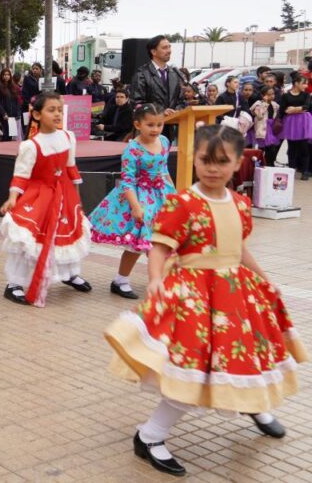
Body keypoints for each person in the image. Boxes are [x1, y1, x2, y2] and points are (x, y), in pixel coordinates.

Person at [104, 125, 306, 477]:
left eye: (222, 161)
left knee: (246, 359)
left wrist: (264, 279)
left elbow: (238, 248)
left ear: (238, 162)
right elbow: (159, 247)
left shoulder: (241, 204)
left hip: (236, 298)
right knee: (192, 369)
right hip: (194, 299)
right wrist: (155, 280)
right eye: (205, 160)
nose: (213, 168)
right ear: (193, 159)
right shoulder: (182, 202)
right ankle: (150, 436)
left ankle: (251, 403)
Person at [0, 91, 91, 307]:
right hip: (40, 195)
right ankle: (14, 283)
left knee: (67, 233)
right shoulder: (31, 145)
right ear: (37, 115)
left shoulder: (68, 137)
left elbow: (71, 168)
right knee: (28, 238)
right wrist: (12, 198)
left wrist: (76, 200)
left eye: (59, 110)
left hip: (65, 193)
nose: (57, 114)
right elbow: (21, 175)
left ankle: (69, 274)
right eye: (51, 110)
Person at [89, 103, 174, 300]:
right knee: (137, 242)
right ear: (137, 124)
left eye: (159, 124)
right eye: (150, 125)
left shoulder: (164, 141)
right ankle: (121, 280)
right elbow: (127, 180)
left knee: (162, 240)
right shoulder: (132, 149)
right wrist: (136, 206)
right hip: (139, 196)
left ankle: (161, 278)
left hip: (161, 195)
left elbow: (164, 169)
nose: (155, 129)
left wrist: (173, 193)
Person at [129, 35, 186, 112]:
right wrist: (160, 112)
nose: (169, 51)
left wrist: (176, 111)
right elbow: (137, 104)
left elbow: (181, 101)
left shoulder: (175, 74)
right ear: (153, 52)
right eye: (164, 48)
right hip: (153, 119)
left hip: (174, 119)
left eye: (169, 47)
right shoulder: (142, 74)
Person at [276, 72, 311, 180]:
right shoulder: (286, 96)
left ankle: (305, 171)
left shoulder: (306, 95)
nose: (306, 86)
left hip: (303, 122)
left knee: (304, 147)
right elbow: (283, 110)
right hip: (291, 123)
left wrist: (294, 109)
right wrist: (298, 109)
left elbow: (306, 107)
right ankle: (291, 169)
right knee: (292, 148)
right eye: (303, 83)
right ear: (296, 83)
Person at [250, 86, 281, 166]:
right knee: (262, 148)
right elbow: (259, 116)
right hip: (263, 127)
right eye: (269, 94)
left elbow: (276, 115)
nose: (272, 96)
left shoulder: (275, 104)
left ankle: (269, 163)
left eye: (273, 94)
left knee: (271, 148)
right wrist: (265, 104)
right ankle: (259, 164)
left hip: (272, 127)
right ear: (263, 95)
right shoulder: (258, 104)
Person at [0, 68, 21, 141]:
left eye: (8, 74)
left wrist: (18, 113)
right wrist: (3, 113)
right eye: (4, 75)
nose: (6, 76)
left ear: (10, 76)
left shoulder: (13, 87)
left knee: (11, 135)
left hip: (12, 115)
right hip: (4, 115)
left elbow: (16, 101)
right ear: (2, 76)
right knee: (5, 135)